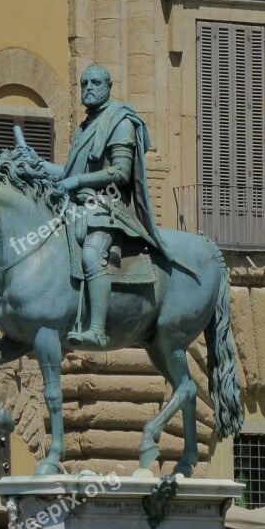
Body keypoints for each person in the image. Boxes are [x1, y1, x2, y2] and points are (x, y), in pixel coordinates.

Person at [57, 64, 180, 347]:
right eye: (84, 83)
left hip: (109, 206)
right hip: (79, 203)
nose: (88, 88)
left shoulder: (119, 120)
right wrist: (37, 164)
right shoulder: (86, 126)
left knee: (90, 255)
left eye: (95, 83)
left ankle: (97, 329)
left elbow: (121, 173)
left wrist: (75, 182)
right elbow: (66, 175)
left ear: (108, 86)